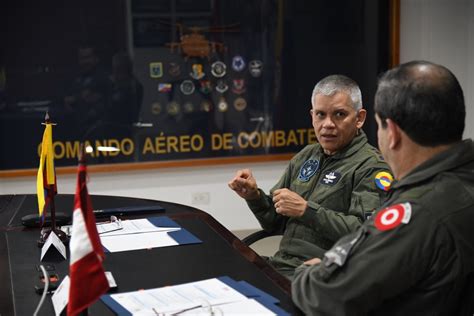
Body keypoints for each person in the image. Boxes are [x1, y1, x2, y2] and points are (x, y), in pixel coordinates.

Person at [292, 61, 474, 315]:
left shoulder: (416, 214)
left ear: (393, 133)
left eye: (378, 125)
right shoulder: (464, 180)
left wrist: (306, 272)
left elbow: (325, 294)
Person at [228, 75, 392, 279]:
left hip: (325, 273)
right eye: (321, 115)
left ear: (359, 118)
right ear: (312, 116)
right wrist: (254, 196)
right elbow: (274, 223)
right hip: (282, 265)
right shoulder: (307, 155)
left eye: (339, 114)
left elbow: (367, 235)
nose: (328, 124)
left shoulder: (371, 167)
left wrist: (307, 211)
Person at [63, 44, 111, 138]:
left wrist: (76, 99)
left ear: (96, 58)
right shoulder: (76, 78)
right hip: (78, 130)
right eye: (82, 58)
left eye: (87, 57)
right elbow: (66, 97)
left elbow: (90, 98)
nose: (84, 61)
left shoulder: (103, 77)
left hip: (99, 131)